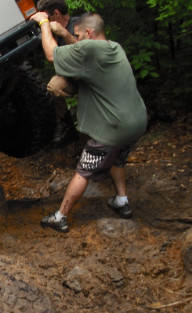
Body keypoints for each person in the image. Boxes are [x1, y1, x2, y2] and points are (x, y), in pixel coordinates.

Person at [29, 11, 147, 233]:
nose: (76, 40)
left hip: (113, 129)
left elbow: (52, 55)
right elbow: (81, 49)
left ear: (89, 33)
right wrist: (65, 33)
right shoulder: (114, 47)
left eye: (78, 35)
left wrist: (43, 22)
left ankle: (60, 216)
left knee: (83, 171)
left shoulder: (89, 48)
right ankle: (122, 200)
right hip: (137, 123)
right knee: (116, 159)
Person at [36, 0, 80, 146]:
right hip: (70, 77)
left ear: (56, 14)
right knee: (53, 87)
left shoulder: (79, 24)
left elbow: (87, 52)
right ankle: (67, 128)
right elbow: (51, 58)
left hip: (90, 76)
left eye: (47, 18)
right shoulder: (52, 33)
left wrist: (64, 34)